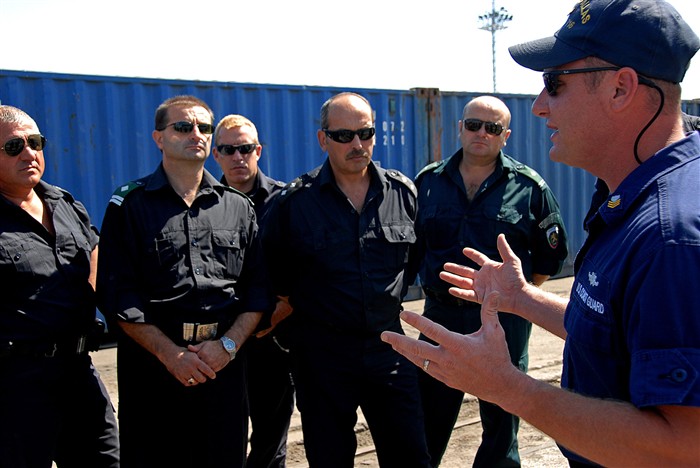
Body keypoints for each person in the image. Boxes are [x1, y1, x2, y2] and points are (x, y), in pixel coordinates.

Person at [381, 0, 700, 466]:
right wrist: (522, 298)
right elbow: (610, 329)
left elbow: (682, 447)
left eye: (554, 83)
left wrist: (509, 388)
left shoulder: (672, 238)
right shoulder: (628, 193)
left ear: (621, 87)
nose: (538, 106)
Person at [96, 96, 273, 468]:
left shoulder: (238, 207)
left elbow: (257, 290)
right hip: (153, 369)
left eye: (204, 128)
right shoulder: (129, 205)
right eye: (183, 126)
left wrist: (226, 346)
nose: (197, 134)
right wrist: (169, 354)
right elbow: (117, 293)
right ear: (158, 138)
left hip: (221, 368)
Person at [261, 92, 430, 467]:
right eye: (344, 136)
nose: (357, 144)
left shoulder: (402, 194)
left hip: (390, 349)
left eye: (365, 133)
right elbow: (271, 271)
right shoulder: (293, 203)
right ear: (324, 139)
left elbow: (413, 259)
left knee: (410, 456)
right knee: (330, 457)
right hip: (322, 357)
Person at [412, 95, 568, 467]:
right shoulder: (428, 182)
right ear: (460, 128)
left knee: (501, 420)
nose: (481, 133)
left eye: (492, 128)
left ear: (506, 135)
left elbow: (550, 258)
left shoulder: (529, 188)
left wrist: (512, 298)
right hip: (440, 315)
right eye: (474, 125)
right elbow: (413, 248)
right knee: (426, 417)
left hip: (502, 319)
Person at [0, 105, 119, 467]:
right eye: (13, 147)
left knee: (106, 459)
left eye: (35, 142)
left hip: (78, 368)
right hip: (15, 382)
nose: (29, 153)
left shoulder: (65, 204)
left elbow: (94, 257)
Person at [212, 114, 294, 468]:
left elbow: (309, 267)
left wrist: (282, 310)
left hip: (272, 339)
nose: (237, 157)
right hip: (221, 340)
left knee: (270, 439)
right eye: (228, 150)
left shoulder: (286, 201)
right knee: (220, 434)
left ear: (258, 150)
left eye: (245, 149)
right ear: (216, 154)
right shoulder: (202, 203)